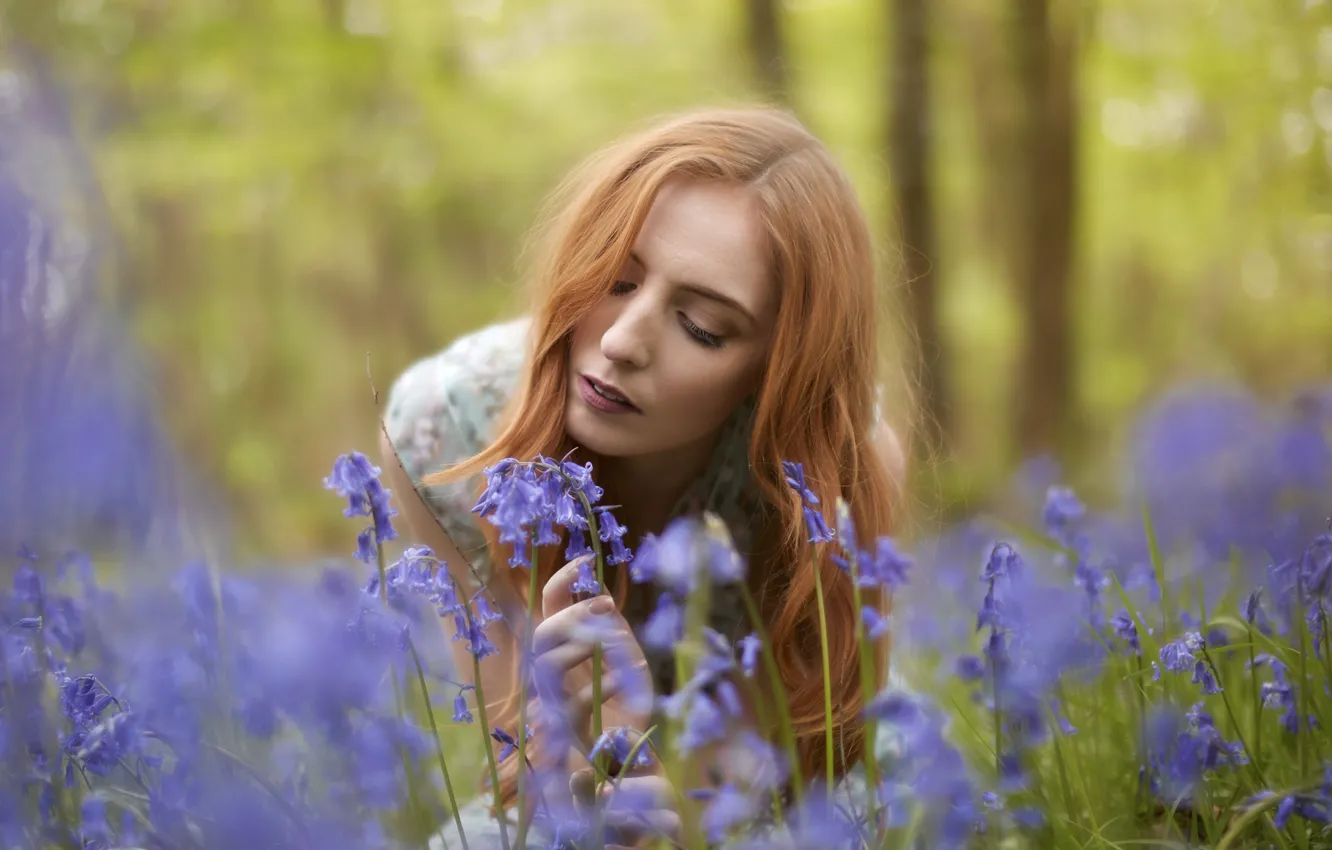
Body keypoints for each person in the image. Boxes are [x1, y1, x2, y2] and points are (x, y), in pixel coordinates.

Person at [380, 105, 913, 848]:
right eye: (617, 278)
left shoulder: (831, 471)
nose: (625, 343)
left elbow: (793, 781)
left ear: (778, 370)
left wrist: (634, 739)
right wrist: (604, 752)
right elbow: (518, 775)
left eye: (702, 327)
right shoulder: (449, 426)